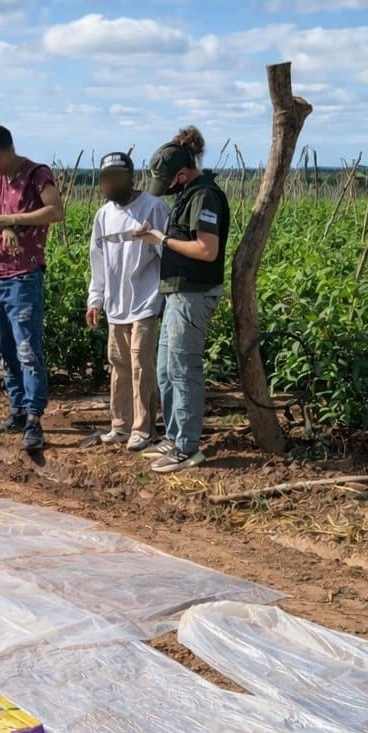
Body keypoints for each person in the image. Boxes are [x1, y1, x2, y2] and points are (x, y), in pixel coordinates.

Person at [136, 126, 229, 474]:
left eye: (169, 182)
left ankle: (188, 447)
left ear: (183, 173)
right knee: (165, 369)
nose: (167, 190)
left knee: (183, 369)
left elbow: (207, 249)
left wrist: (161, 240)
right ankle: (175, 438)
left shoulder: (205, 196)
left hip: (194, 293)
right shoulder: (189, 194)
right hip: (178, 293)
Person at [0, 124, 65, 452]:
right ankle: (16, 410)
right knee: (2, 348)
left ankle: (34, 419)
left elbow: (55, 211)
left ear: (5, 151)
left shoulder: (36, 174)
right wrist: (1, 222)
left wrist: (15, 220)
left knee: (27, 349)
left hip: (23, 275)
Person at [86, 152, 168, 452]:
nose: (110, 184)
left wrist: (165, 296)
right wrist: (95, 299)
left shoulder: (153, 208)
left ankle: (143, 428)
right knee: (119, 364)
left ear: (131, 178)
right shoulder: (103, 215)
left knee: (140, 365)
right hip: (115, 304)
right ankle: (120, 426)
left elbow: (166, 252)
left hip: (145, 301)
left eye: (116, 178)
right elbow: (98, 260)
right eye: (106, 179)